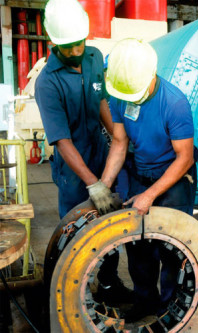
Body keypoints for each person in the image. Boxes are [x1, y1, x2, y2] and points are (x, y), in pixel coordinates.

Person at [95, 38, 197, 322]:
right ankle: (145, 302)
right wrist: (103, 185)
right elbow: (119, 141)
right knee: (138, 244)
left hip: (174, 176)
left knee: (172, 248)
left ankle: (169, 307)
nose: (132, 99)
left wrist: (150, 195)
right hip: (139, 171)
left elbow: (184, 157)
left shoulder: (175, 103)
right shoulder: (120, 94)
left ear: (152, 75)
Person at [35, 0, 129, 304]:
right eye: (69, 47)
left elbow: (101, 101)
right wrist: (93, 183)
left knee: (109, 220)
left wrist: (118, 137)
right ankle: (74, 289)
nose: (76, 51)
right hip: (73, 168)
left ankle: (109, 282)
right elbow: (62, 140)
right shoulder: (47, 83)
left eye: (80, 43)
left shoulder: (93, 56)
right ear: (53, 43)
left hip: (100, 153)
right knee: (77, 229)